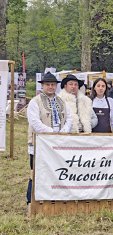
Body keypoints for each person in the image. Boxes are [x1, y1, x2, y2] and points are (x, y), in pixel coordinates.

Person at [26, 72, 73, 205]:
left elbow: (69, 117)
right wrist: (51, 133)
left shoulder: (62, 101)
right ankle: (31, 200)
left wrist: (64, 131)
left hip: (59, 142)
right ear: (43, 86)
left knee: (57, 171)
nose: (51, 87)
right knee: (36, 172)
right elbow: (34, 122)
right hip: (40, 143)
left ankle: (53, 199)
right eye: (48, 85)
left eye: (53, 84)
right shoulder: (35, 102)